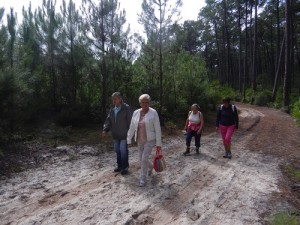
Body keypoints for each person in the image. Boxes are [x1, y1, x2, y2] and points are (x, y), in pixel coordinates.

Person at [127, 94, 162, 187]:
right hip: (139, 139)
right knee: (142, 159)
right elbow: (132, 127)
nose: (145, 104)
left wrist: (158, 144)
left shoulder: (153, 113)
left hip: (150, 140)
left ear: (149, 103)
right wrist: (128, 139)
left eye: (147, 102)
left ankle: (142, 179)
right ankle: (151, 167)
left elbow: (158, 129)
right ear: (140, 103)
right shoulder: (136, 113)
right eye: (143, 102)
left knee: (143, 158)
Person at [103, 92, 133, 175]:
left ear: (120, 99)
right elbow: (108, 120)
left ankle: (125, 167)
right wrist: (105, 130)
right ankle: (119, 166)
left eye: (115, 99)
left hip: (124, 134)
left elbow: (131, 122)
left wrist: (130, 134)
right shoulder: (112, 109)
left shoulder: (126, 108)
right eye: (112, 99)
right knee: (117, 150)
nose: (113, 101)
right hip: (115, 134)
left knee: (123, 150)